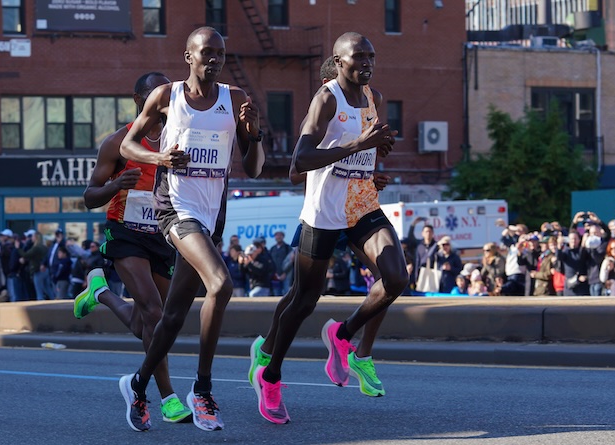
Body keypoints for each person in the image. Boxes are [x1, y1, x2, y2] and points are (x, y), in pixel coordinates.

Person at [250, 32, 406, 425]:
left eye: (371, 56)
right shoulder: (326, 99)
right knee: (304, 300)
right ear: (339, 62)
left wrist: (372, 164)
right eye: (358, 57)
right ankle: (270, 375)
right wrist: (358, 146)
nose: (367, 63)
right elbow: (300, 161)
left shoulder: (374, 97)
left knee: (396, 277)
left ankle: (344, 336)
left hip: (361, 204)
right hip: (323, 211)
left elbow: (364, 149)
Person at [116, 27, 265, 432]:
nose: (213, 59)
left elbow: (254, 167)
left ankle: (138, 385)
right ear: (189, 56)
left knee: (173, 316)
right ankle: (202, 390)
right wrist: (161, 158)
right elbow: (128, 145)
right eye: (205, 52)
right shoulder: (167, 96)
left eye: (220, 53)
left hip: (212, 216)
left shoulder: (235, 99)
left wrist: (253, 132)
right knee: (221, 284)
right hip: (176, 210)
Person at [76, 71, 192, 429]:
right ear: (140, 100)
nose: (164, 101)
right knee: (154, 313)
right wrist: (115, 185)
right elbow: (89, 197)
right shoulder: (118, 142)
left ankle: (101, 293)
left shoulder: (179, 137)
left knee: (152, 322)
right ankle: (168, 398)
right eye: (157, 94)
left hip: (163, 236)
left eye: (168, 94)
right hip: (125, 234)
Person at [269, 231, 290, 296]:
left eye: (280, 235)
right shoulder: (272, 248)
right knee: (276, 295)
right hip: (275, 276)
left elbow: (291, 262)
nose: (278, 237)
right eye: (277, 235)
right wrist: (274, 273)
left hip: (286, 275)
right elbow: (270, 262)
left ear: (283, 237)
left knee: (287, 294)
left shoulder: (287, 248)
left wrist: (284, 273)